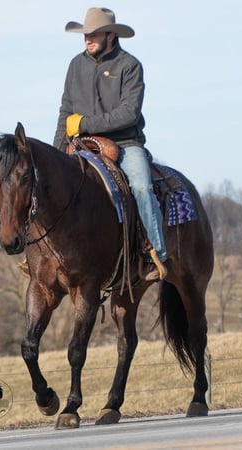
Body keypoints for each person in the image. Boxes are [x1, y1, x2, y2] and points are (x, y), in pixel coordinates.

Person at [53, 7, 167, 281]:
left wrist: (84, 124)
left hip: (125, 143)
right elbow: (66, 111)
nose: (87, 39)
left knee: (141, 187)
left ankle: (155, 255)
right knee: (49, 185)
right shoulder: (75, 65)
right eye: (85, 34)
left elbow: (129, 113)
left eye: (94, 34)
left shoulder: (130, 66)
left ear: (111, 35)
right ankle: (45, 255)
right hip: (82, 145)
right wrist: (56, 153)